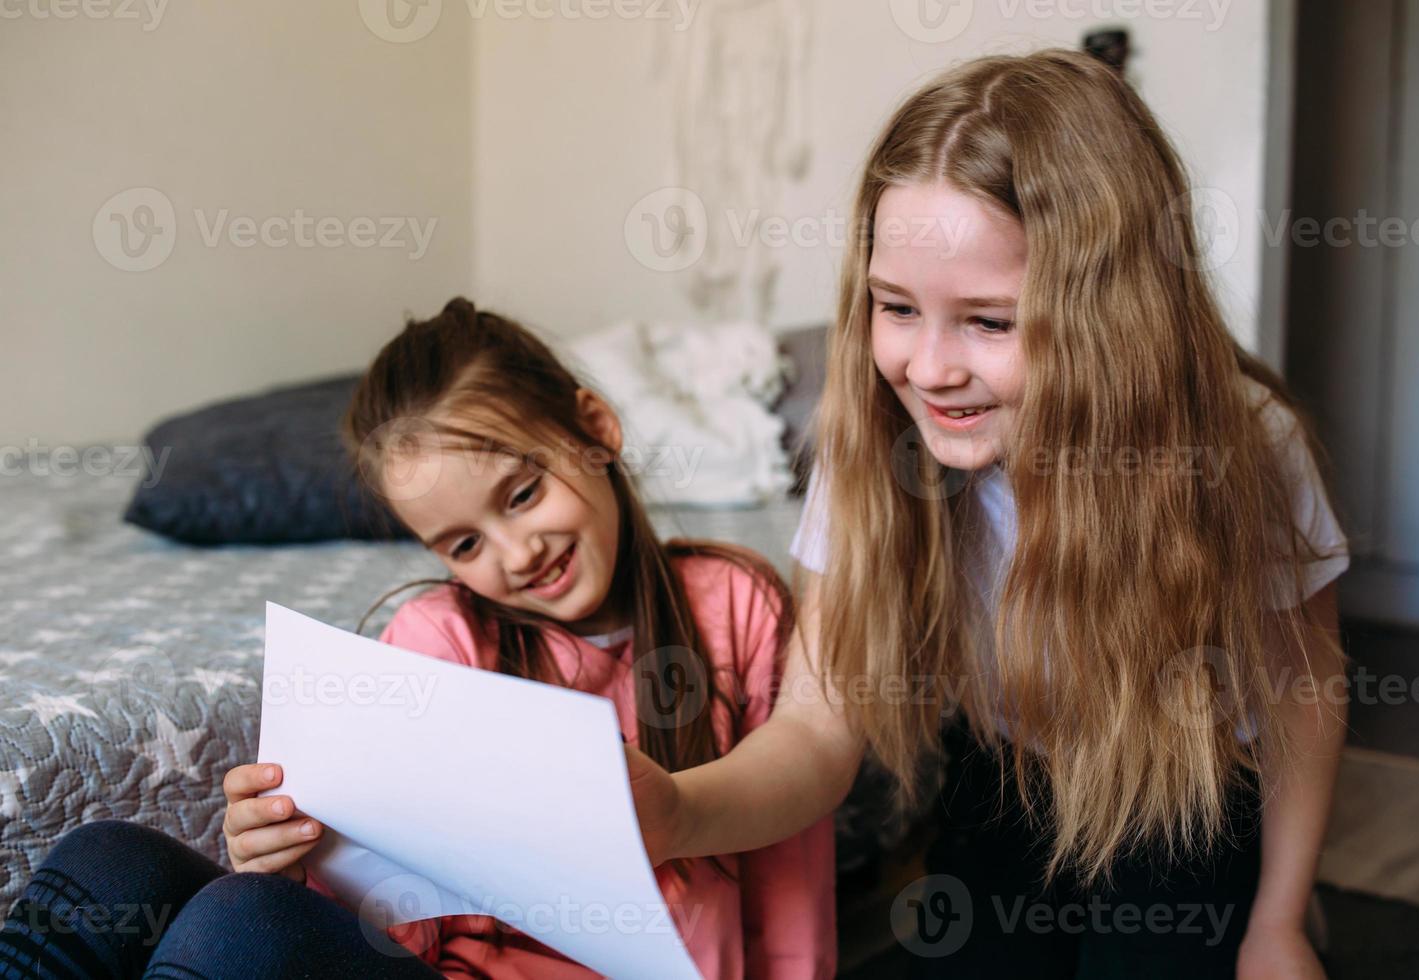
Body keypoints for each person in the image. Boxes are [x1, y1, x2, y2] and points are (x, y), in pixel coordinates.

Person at [623, 49, 1349, 979]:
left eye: (989, 322)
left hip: (1190, 784)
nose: (929, 369)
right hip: (1009, 766)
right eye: (897, 308)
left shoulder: (1249, 449)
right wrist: (679, 812)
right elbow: (815, 726)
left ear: (1112, 317)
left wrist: (1275, 924)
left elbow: (1301, 698)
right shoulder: (874, 450)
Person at [0, 297, 836, 980]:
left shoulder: (738, 603)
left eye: (521, 493)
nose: (516, 555)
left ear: (594, 429)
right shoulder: (435, 638)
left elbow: (789, 869)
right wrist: (299, 871)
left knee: (238, 923)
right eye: (464, 545)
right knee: (109, 861)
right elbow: (395, 926)